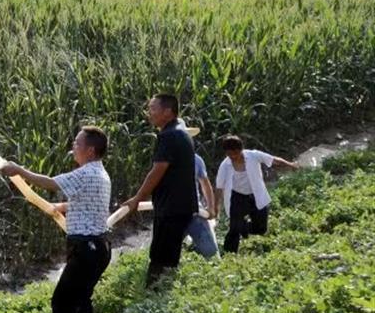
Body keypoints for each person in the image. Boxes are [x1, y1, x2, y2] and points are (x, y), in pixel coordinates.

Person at [1, 126, 111, 313]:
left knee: (62, 301)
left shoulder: (86, 173)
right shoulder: (100, 173)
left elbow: (50, 183)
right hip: (98, 248)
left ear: (90, 151)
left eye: (77, 142)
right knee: (81, 297)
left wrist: (19, 170)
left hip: (87, 249)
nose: (73, 145)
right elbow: (89, 202)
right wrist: (61, 207)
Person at [125, 94, 198, 287]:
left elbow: (156, 172)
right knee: (170, 254)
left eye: (153, 109)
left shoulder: (169, 135)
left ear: (167, 112)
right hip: (181, 205)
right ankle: (163, 292)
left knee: (160, 256)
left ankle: (154, 295)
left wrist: (137, 199)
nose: (149, 113)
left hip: (172, 207)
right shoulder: (180, 130)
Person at [215, 135, 300, 253]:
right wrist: (216, 207)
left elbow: (273, 160)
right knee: (234, 229)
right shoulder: (225, 165)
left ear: (240, 150)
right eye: (229, 155)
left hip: (256, 195)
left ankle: (244, 228)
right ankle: (229, 253)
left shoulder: (253, 155)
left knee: (261, 228)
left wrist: (290, 165)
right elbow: (219, 186)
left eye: (235, 154)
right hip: (237, 197)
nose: (233, 157)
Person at [178, 119, 219, 259]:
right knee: (165, 259)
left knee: (212, 255)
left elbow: (205, 184)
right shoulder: (163, 162)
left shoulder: (196, 160)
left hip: (195, 213)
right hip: (172, 215)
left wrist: (211, 208)